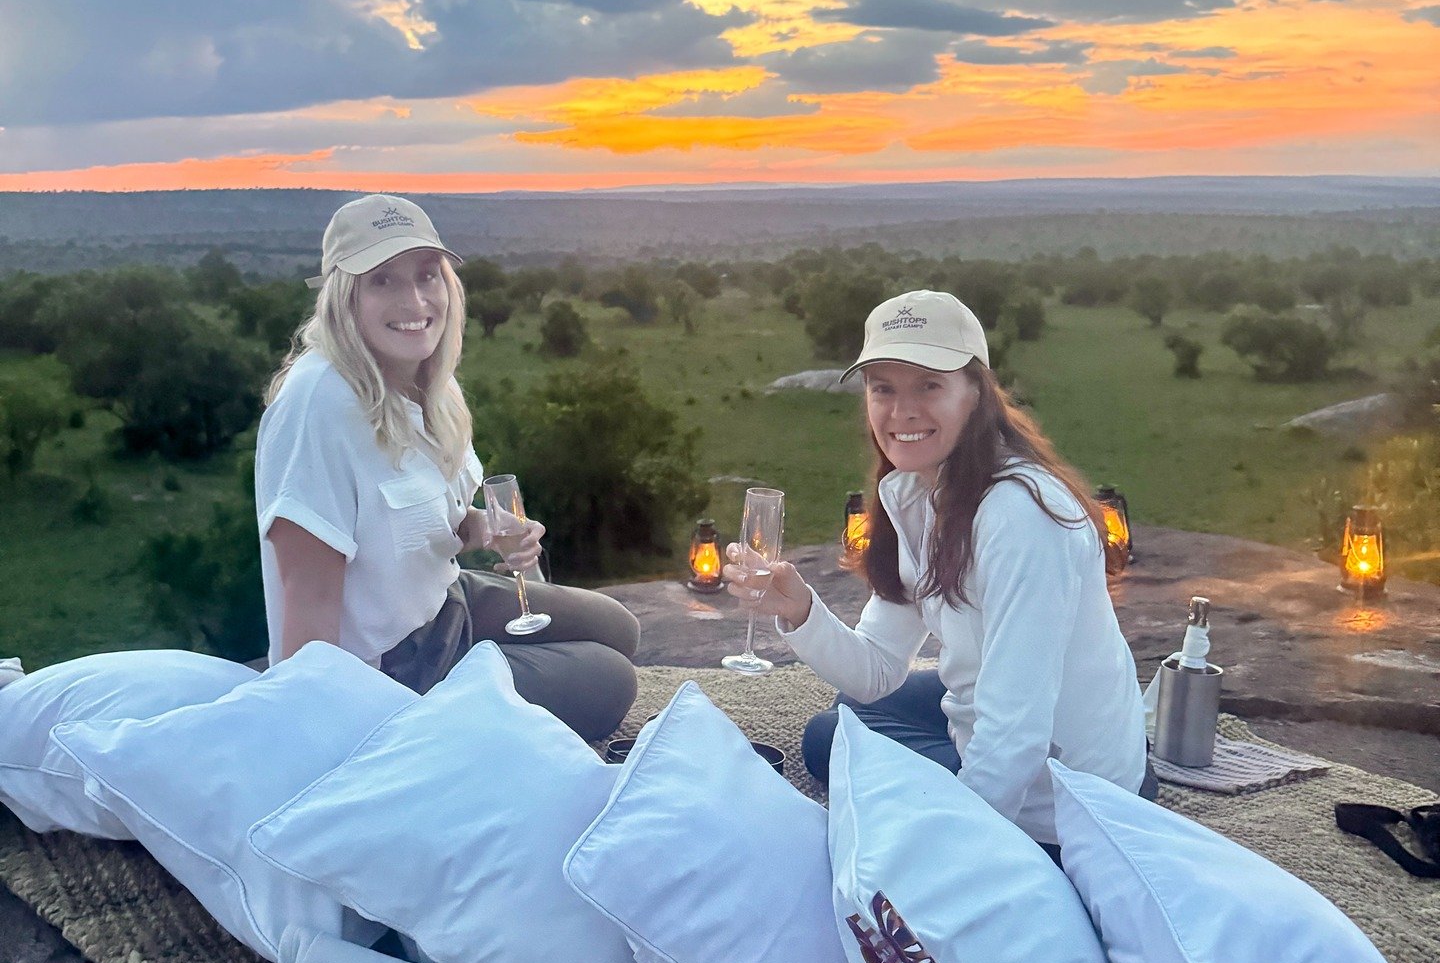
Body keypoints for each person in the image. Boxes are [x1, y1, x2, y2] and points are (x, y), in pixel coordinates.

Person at [724, 290, 1151, 851]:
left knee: (832, 737)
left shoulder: (1021, 517)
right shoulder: (917, 494)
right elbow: (876, 671)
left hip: (1064, 797)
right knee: (851, 711)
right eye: (884, 389)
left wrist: (955, 853)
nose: (902, 411)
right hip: (1014, 728)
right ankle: (921, 772)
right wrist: (800, 610)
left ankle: (939, 796)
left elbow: (1015, 737)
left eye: (929, 385)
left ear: (977, 393)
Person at [254, 193, 640, 740]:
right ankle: (428, 730)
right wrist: (320, 738)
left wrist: (489, 529)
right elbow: (308, 596)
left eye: (427, 275)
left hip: (447, 605)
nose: (414, 301)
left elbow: (445, 523)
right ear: (344, 296)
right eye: (382, 280)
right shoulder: (317, 405)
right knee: (608, 682)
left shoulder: (426, 379)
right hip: (394, 668)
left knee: (618, 627)